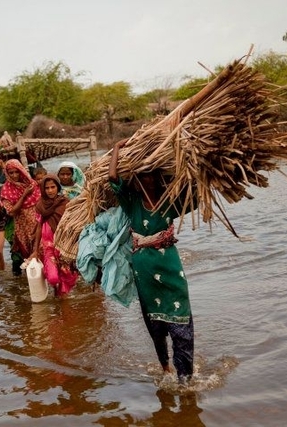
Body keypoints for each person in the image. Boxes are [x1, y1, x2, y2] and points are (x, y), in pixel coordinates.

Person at [108, 138, 195, 383]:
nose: (146, 180)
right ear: (136, 181)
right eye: (142, 177)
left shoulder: (171, 200)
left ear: (158, 178)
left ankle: (185, 375)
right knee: (154, 321)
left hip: (170, 264)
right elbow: (113, 178)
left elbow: (193, 188)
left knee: (182, 317)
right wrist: (116, 148)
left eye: (150, 176)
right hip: (144, 267)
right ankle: (165, 366)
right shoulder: (132, 202)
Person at [29, 175, 80, 296]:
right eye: (47, 188)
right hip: (48, 246)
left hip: (64, 246)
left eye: (53, 187)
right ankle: (58, 294)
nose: (50, 190)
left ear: (58, 187)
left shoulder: (66, 203)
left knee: (66, 275)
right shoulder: (40, 206)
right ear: (43, 189)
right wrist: (35, 250)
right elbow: (39, 226)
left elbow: (72, 224)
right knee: (52, 277)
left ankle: (62, 304)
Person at [0, 159, 41, 276]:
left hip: (38, 224)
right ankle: (25, 285)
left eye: (16, 172)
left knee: (42, 253)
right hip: (22, 227)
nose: (14, 175)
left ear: (21, 171)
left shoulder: (32, 184)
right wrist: (24, 195)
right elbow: (11, 212)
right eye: (11, 173)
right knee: (26, 257)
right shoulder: (6, 190)